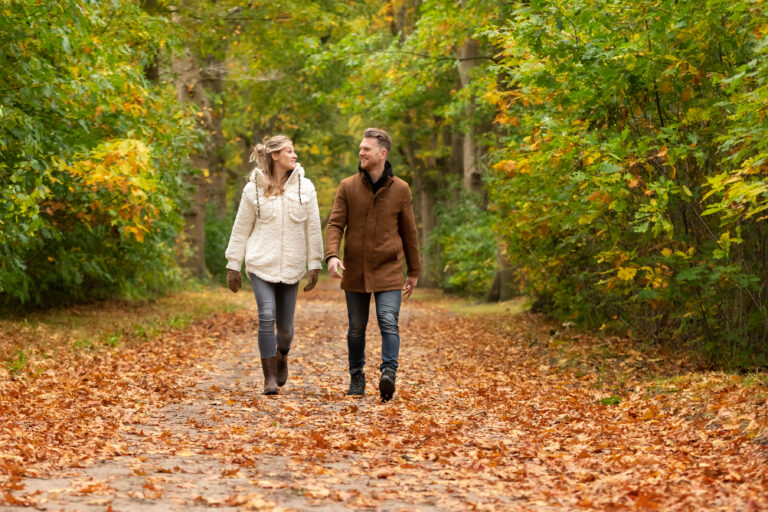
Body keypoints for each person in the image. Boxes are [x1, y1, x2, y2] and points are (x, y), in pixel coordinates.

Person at [325, 128, 420, 402]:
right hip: (355, 269)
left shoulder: (401, 189)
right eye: (360, 148)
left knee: (388, 321)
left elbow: (409, 232)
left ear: (382, 153)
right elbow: (334, 224)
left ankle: (388, 373)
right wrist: (332, 255)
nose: (361, 152)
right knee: (356, 327)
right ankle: (357, 375)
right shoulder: (347, 186)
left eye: (366, 149)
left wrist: (413, 272)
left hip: (389, 270)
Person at [225, 135, 323, 395]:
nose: (295, 155)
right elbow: (241, 228)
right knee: (266, 317)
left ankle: (282, 354)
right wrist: (233, 265)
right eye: (289, 151)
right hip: (260, 264)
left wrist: (315, 263)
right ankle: (269, 379)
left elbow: (313, 228)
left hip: (291, 268)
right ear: (275, 156)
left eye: (294, 150)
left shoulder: (306, 188)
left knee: (286, 330)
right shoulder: (253, 189)